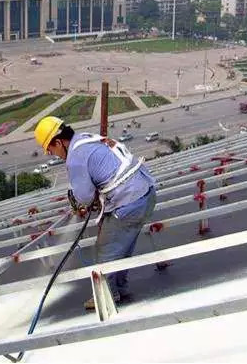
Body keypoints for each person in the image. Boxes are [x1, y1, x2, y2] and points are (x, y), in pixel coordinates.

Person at [34, 116, 157, 310]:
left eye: (51, 149)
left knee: (105, 249)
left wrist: (85, 203)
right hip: (146, 192)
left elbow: (84, 197)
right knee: (122, 246)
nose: (53, 154)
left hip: (129, 201)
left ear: (58, 142)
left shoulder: (75, 158)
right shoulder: (85, 137)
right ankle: (120, 288)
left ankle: (106, 295)